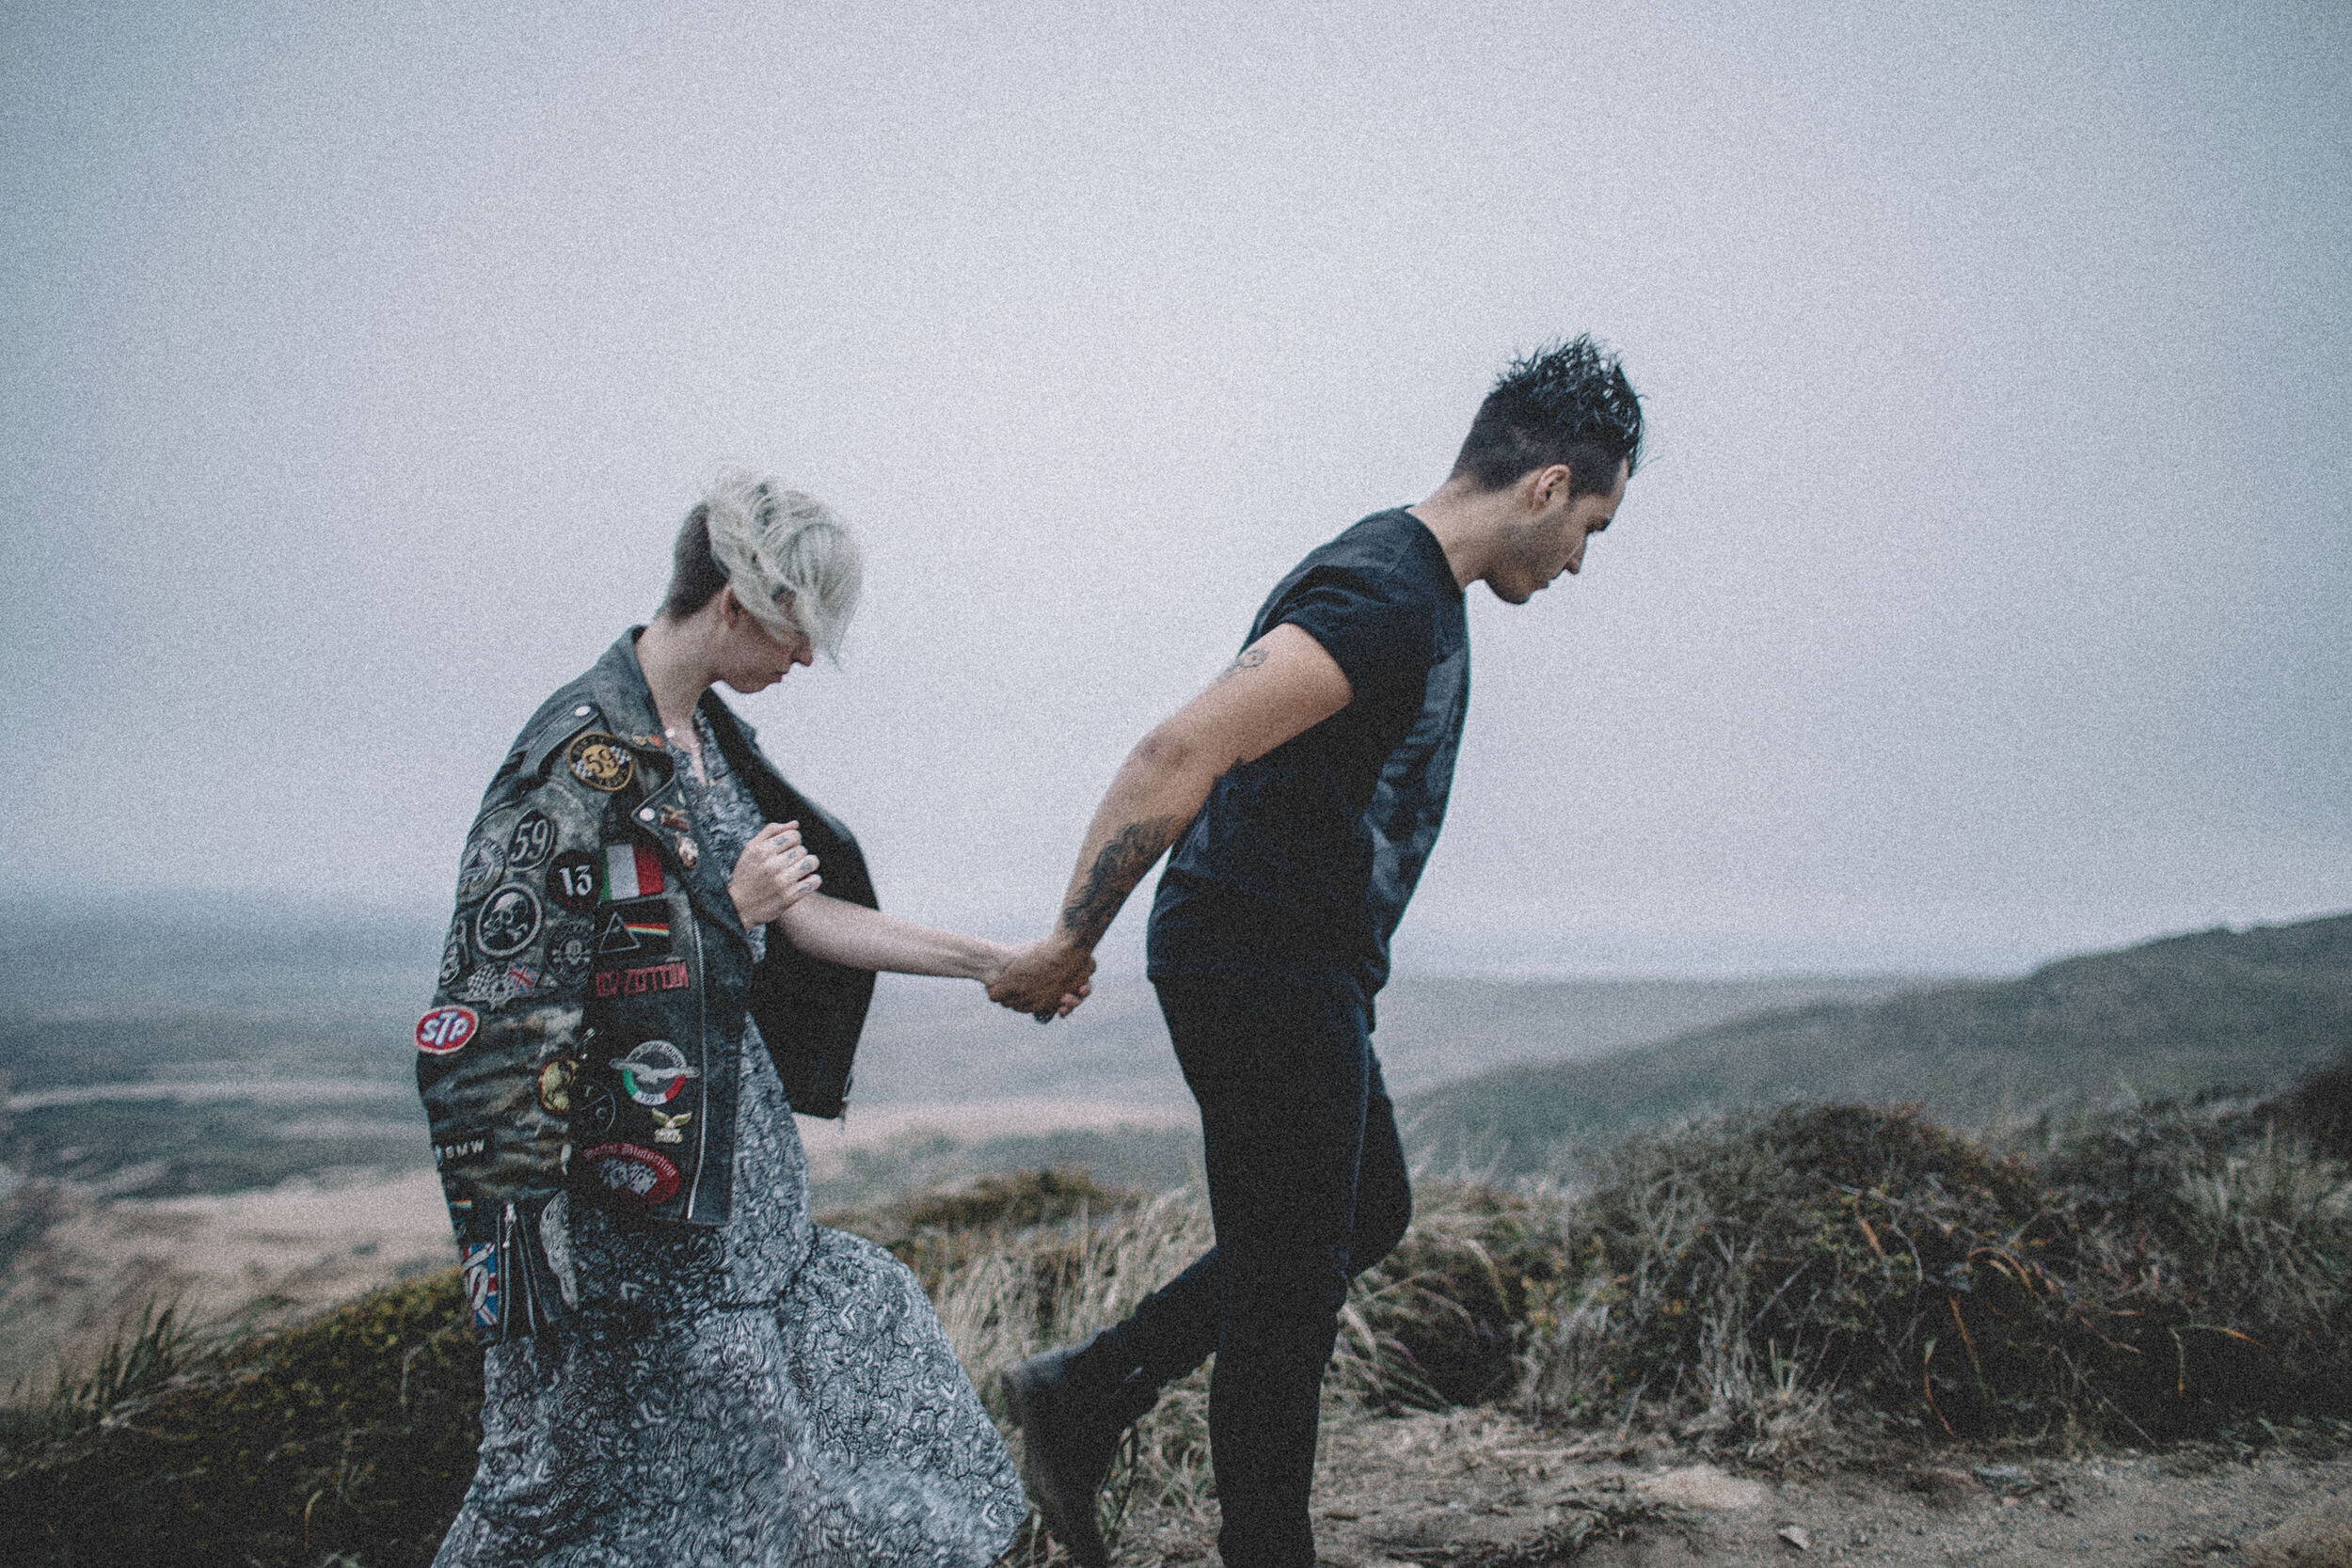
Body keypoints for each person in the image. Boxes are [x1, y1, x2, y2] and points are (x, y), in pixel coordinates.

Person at [988, 338, 1644, 1568]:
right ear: (1548, 484)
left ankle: (1081, 1393)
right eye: (1592, 525)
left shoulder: (1413, 583)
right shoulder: (1385, 596)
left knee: (1363, 1208)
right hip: (1257, 953)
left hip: (1300, 956)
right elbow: (1175, 751)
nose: (1579, 560)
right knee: (1290, 1288)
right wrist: (1070, 937)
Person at [417, 470, 1082, 1567]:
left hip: (734, 1181)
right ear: (733, 600)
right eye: (797, 629)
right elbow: (492, 1016)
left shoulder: (701, 736)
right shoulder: (565, 767)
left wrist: (989, 963)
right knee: (590, 1492)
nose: (807, 658)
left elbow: (807, 913)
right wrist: (729, 918)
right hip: (634, 1214)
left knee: (812, 1387)